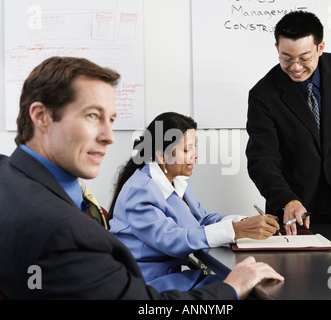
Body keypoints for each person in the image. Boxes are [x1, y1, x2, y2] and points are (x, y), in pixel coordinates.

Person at [0, 56, 283, 300]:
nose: (109, 136)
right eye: (92, 116)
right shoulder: (64, 233)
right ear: (41, 117)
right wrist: (231, 290)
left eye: (111, 120)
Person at [109, 112, 280, 292]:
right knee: (240, 288)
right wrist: (235, 231)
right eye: (186, 150)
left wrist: (243, 222)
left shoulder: (178, 181)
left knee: (245, 285)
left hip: (170, 275)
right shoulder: (140, 191)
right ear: (161, 156)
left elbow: (201, 220)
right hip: (146, 284)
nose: (196, 155)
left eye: (194, 147)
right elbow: (171, 239)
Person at [246, 11, 331, 235]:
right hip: (294, 214)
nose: (295, 67)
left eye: (305, 58)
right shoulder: (263, 95)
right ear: (277, 49)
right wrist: (287, 201)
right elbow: (261, 160)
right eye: (286, 58)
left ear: (320, 48)